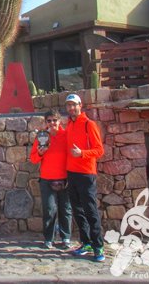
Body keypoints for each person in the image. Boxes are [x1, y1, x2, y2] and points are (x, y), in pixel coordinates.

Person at [64, 93, 106, 262]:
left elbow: (99, 150)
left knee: (90, 210)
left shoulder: (89, 124)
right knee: (78, 210)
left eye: (74, 104)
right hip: (71, 173)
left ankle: (98, 247)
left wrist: (82, 153)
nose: (71, 108)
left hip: (86, 173)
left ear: (80, 105)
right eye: (68, 105)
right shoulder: (69, 125)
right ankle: (86, 242)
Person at [30, 109, 72, 249]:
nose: (52, 123)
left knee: (65, 210)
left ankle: (65, 238)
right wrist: (41, 153)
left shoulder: (66, 135)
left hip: (64, 178)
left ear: (59, 121)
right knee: (49, 210)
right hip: (47, 179)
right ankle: (49, 238)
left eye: (55, 120)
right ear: (46, 122)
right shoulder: (42, 137)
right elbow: (33, 159)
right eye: (49, 120)